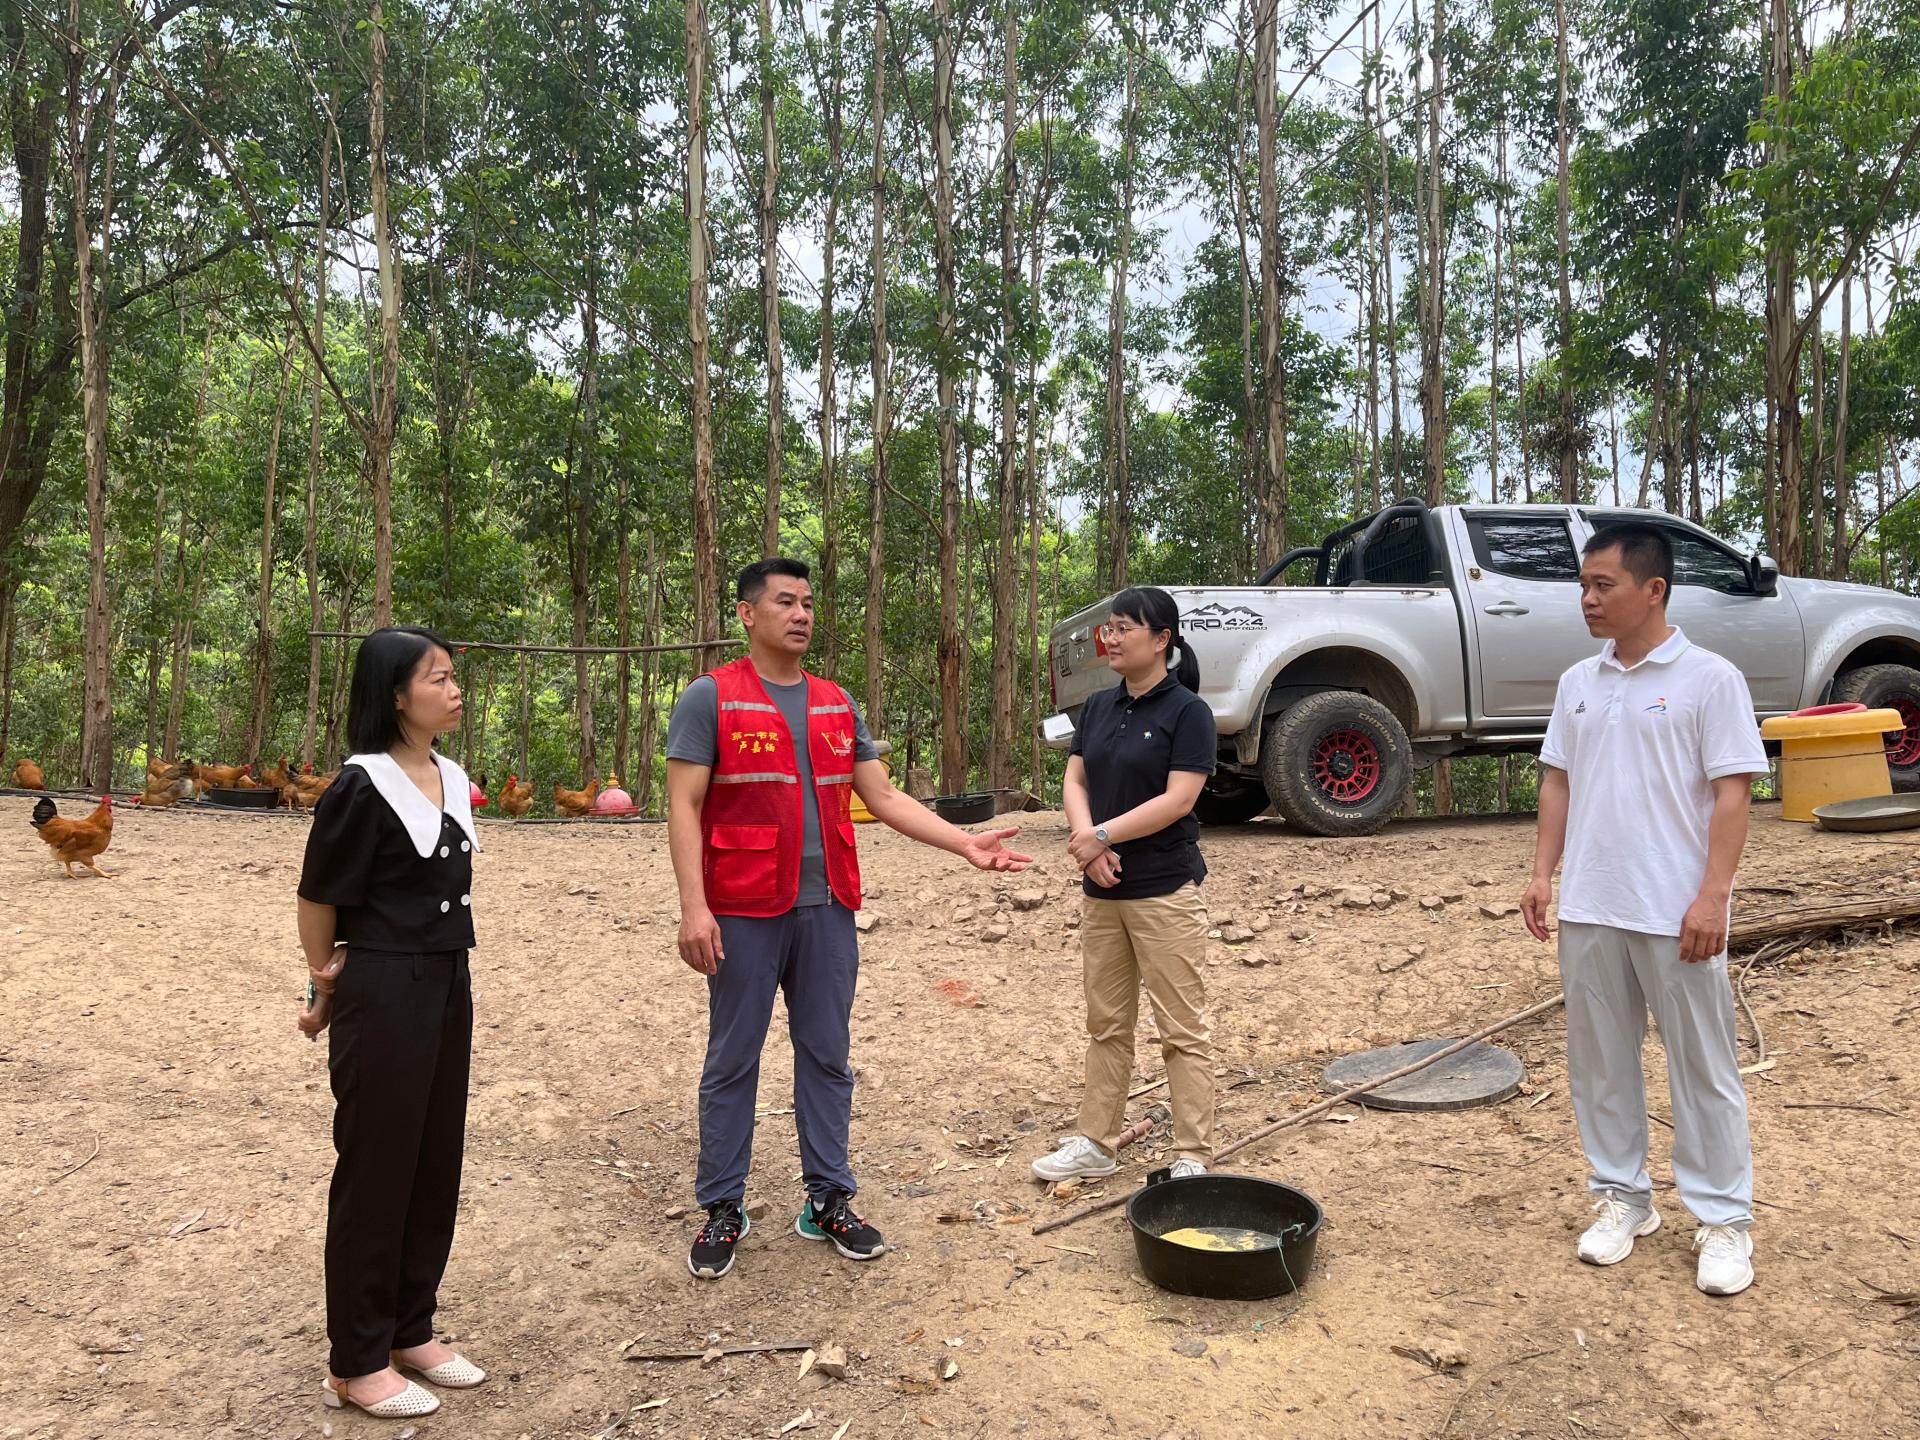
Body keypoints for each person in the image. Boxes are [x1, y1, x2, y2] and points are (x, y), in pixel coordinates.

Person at [668, 557, 1032, 1280]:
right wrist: (694, 908)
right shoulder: (711, 698)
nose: (800, 615)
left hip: (827, 908)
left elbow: (884, 798)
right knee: (733, 1059)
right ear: (747, 613)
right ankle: (723, 1205)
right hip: (742, 907)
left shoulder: (836, 703)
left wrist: (963, 843)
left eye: (807, 603)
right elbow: (684, 804)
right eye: (784, 602)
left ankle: (828, 1198)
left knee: (827, 1055)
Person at [1520, 523, 1769, 1297]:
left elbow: (1734, 792)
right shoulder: (1579, 682)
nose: (1588, 600)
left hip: (1676, 909)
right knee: (1600, 1062)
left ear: (1653, 590)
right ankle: (1622, 1197)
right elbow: (1558, 780)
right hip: (1593, 904)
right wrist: (1542, 874)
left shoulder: (1709, 679)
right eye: (1583, 586)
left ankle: (1723, 1218)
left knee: (1703, 1065)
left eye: (1604, 585)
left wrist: (1713, 895)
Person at [296, 627, 489, 1418]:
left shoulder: (450, 775)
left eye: (451, 675)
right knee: (377, 1167)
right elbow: (318, 897)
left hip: (446, 979)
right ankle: (355, 1360)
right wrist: (322, 984)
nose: (453, 689)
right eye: (436, 678)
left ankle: (411, 1328)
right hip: (381, 985)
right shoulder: (360, 786)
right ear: (396, 695)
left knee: (434, 1158)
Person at [1033, 586, 1219, 1185]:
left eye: (1122, 629)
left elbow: (1179, 799)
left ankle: (1193, 1153)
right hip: (1102, 893)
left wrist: (1103, 836)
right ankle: (1096, 1142)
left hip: (1164, 890)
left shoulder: (1188, 712)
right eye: (1107, 629)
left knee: (1182, 1030)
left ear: (1162, 639)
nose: (1109, 639)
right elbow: (1076, 780)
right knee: (1107, 1025)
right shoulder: (1098, 706)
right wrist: (1088, 842)